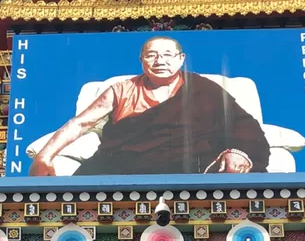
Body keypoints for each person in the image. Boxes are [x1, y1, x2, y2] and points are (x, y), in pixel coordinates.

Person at [29, 36, 271, 177]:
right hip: (126, 169)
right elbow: (80, 123)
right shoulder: (122, 90)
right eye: (151, 55)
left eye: (167, 55)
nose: (159, 61)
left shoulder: (203, 88)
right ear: (142, 60)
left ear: (181, 59)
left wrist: (238, 151)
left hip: (192, 167)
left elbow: (241, 123)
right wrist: (44, 157)